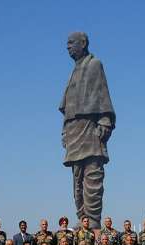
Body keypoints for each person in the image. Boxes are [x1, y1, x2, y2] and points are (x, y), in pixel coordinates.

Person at [60, 31, 116, 229]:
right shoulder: (74, 70)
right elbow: (66, 106)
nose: (67, 46)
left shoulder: (94, 65)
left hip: (90, 128)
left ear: (83, 43)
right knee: (77, 181)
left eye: (71, 43)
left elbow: (102, 93)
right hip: (74, 129)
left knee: (92, 176)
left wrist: (105, 121)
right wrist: (65, 131)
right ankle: (82, 219)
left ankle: (93, 221)